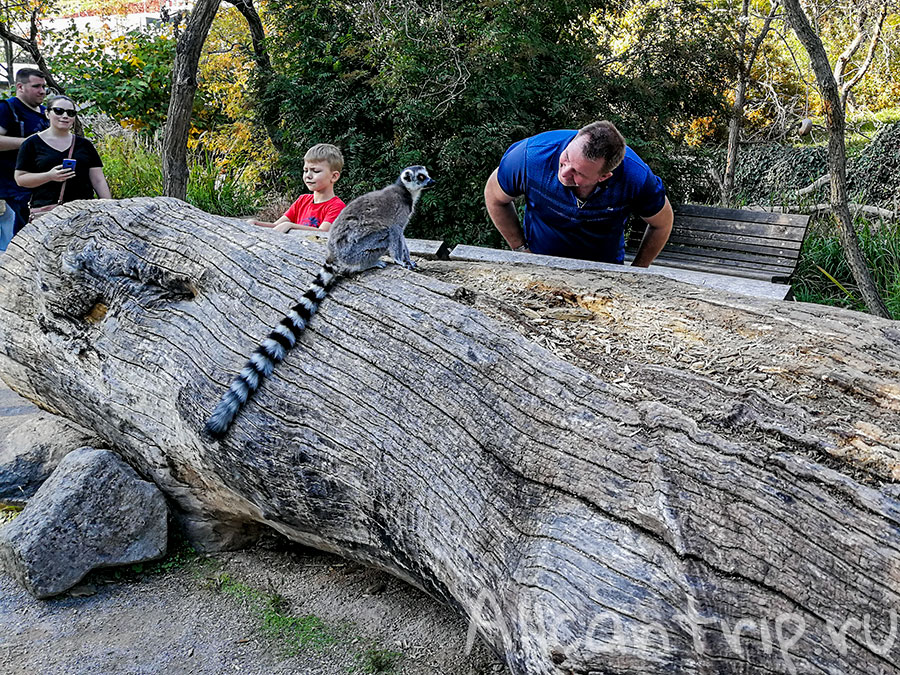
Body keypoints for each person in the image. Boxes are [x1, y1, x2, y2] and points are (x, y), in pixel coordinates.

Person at [484, 121, 674, 267]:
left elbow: (662, 223)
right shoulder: (530, 156)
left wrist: (637, 270)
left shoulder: (636, 177)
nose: (564, 172)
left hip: (603, 272)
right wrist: (520, 248)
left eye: (578, 173)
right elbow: (494, 196)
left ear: (604, 176)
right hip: (538, 263)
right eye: (566, 158)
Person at [14, 95, 111, 212]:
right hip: (47, 213)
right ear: (47, 113)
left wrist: (109, 208)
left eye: (70, 113)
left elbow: (98, 180)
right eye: (59, 111)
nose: (65, 116)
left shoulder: (85, 145)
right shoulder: (31, 143)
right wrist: (49, 176)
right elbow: (20, 179)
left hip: (84, 212)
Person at [0, 68, 49, 248]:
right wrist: (28, 143)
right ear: (20, 87)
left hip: (40, 188)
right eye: (36, 86)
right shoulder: (7, 108)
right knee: (14, 244)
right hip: (10, 190)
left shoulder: (46, 112)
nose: (42, 91)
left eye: (44, 86)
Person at [249, 143, 345, 233]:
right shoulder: (302, 200)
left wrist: (291, 226)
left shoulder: (337, 207)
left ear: (334, 176)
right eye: (305, 170)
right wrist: (256, 224)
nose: (308, 176)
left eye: (315, 171)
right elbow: (276, 226)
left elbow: (323, 233)